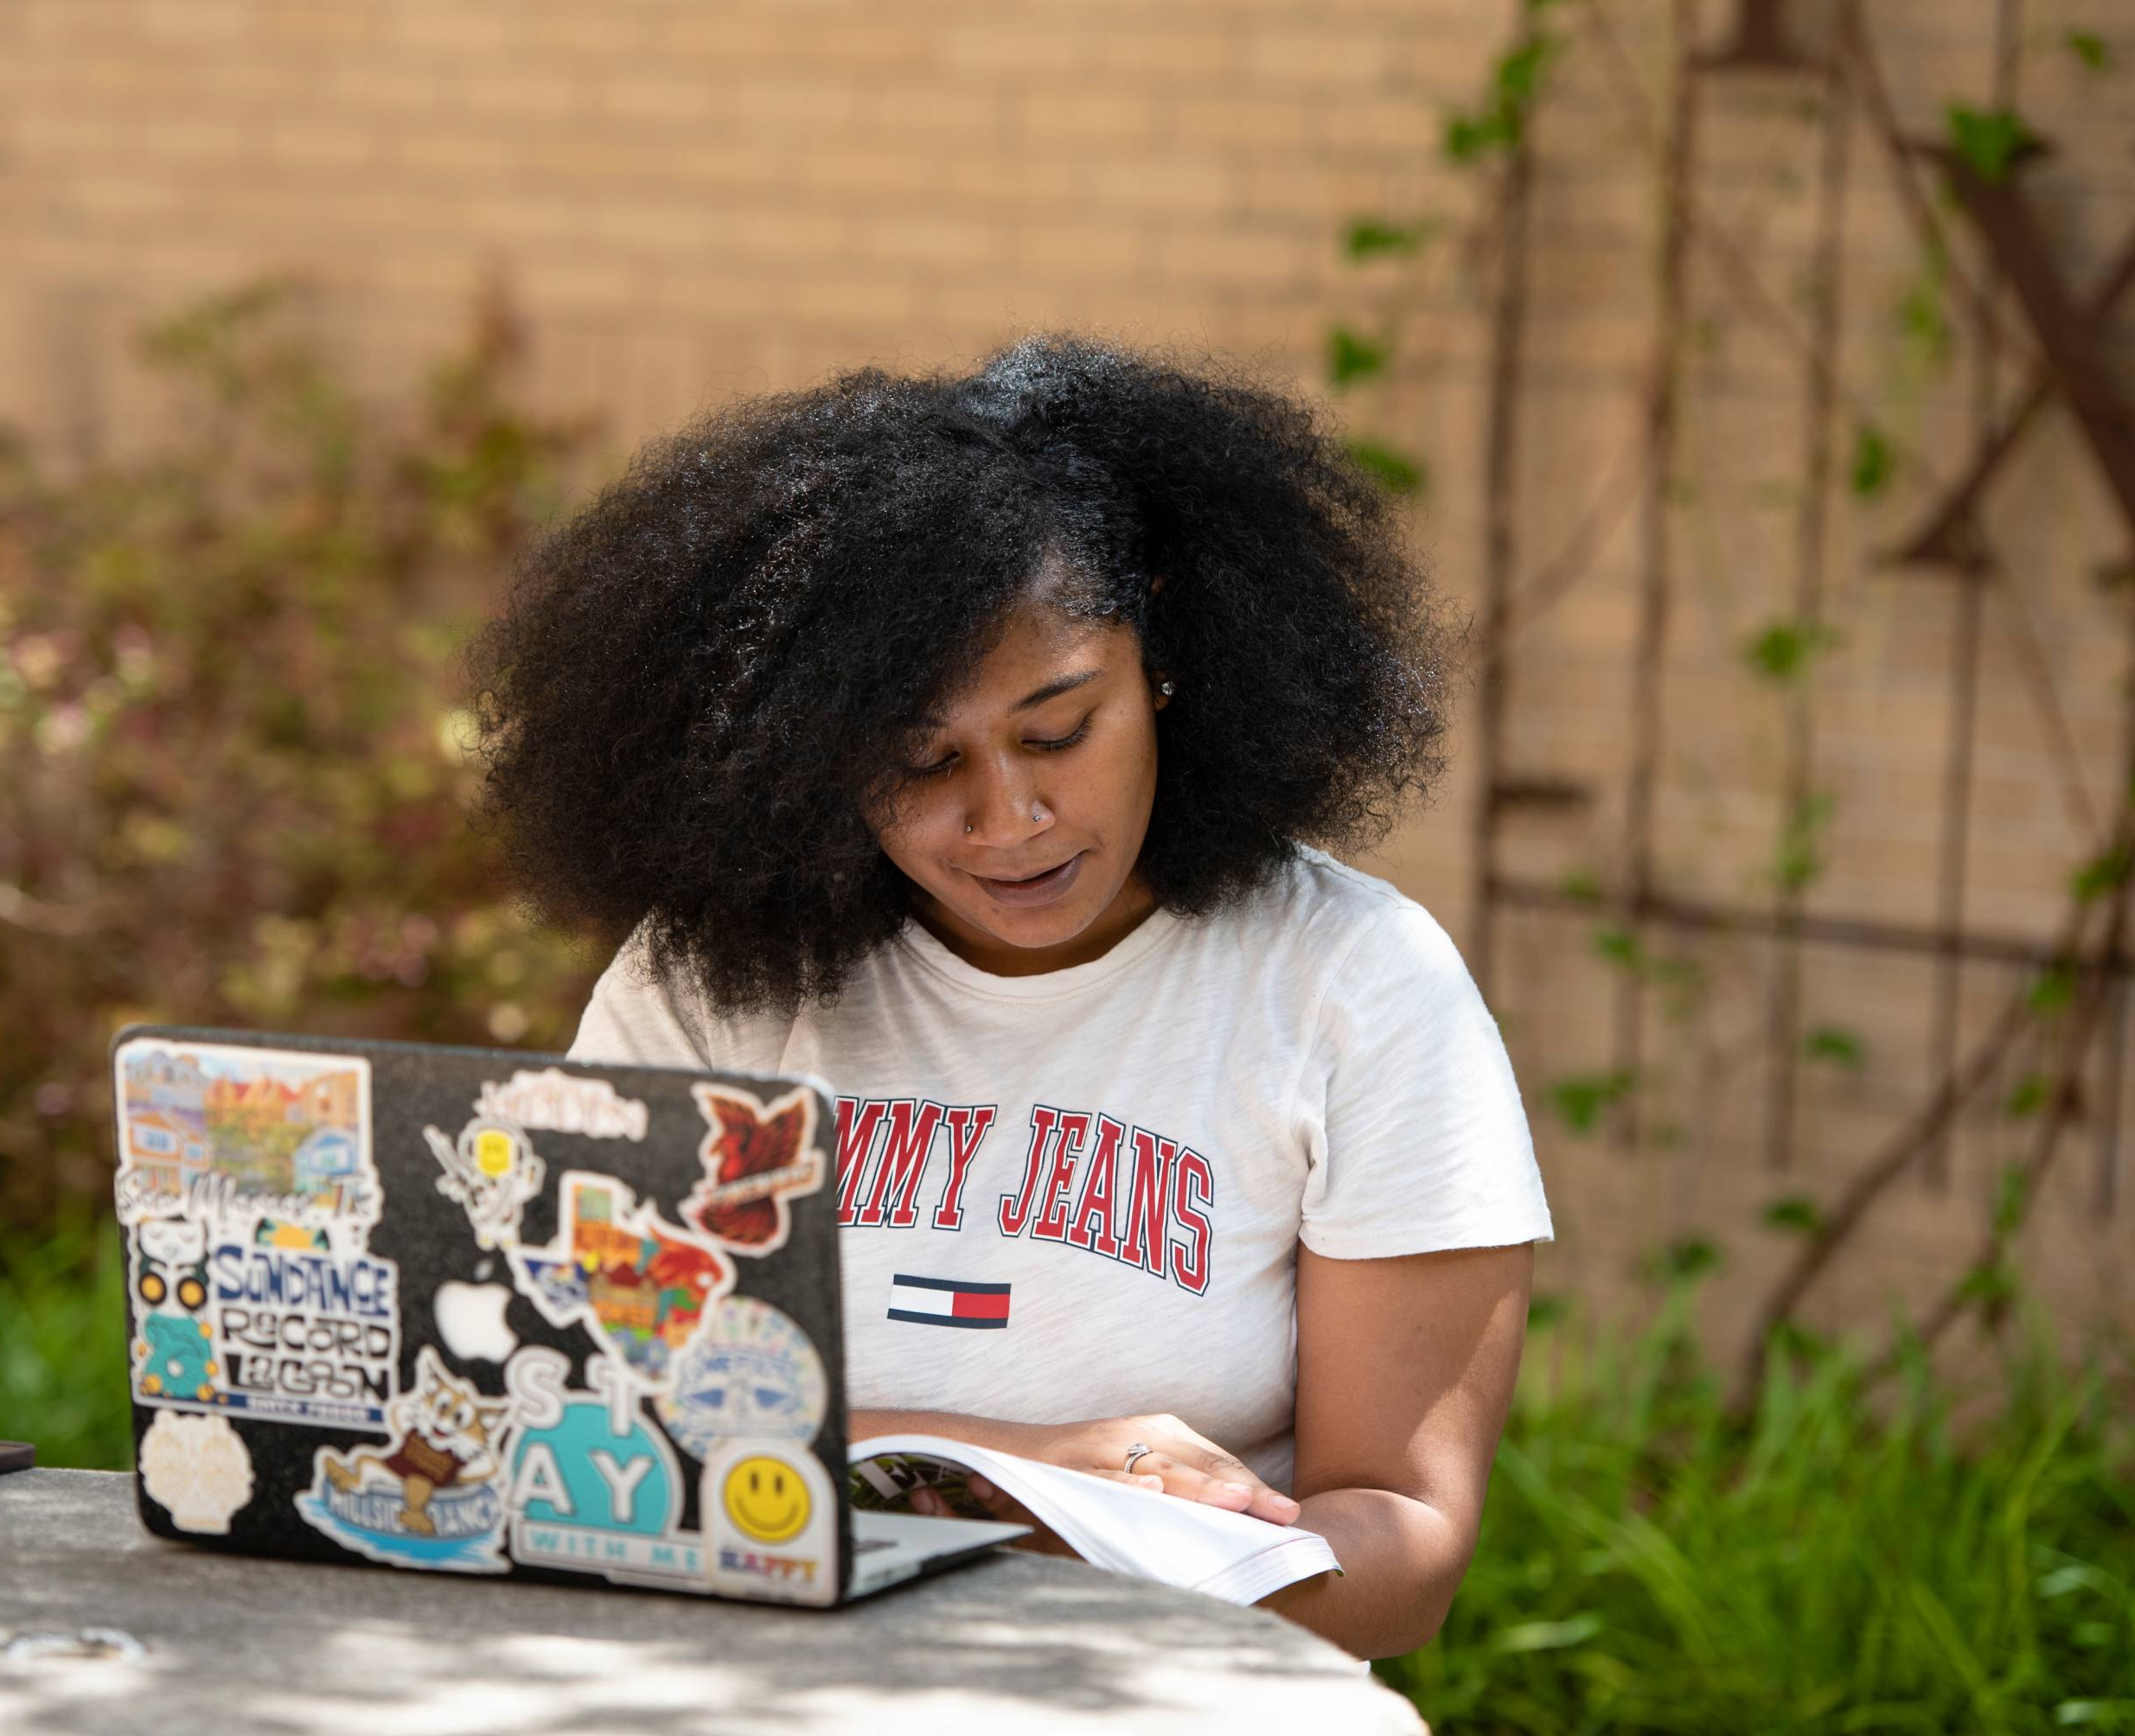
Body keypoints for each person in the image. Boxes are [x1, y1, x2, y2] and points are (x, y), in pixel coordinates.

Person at [466, 334, 1553, 1660]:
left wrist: (970, 1518)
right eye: (921, 762)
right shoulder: (711, 985)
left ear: (1160, 651)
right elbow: (575, 1414)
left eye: (1058, 730)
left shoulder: (1354, 985)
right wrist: (1019, 1477)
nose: (1011, 818)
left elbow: (1400, 1551)